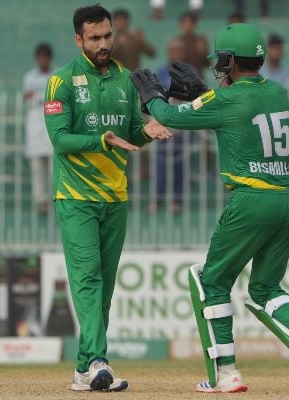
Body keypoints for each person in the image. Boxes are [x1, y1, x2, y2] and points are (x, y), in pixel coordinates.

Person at [132, 22, 289, 393]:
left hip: (251, 201)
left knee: (210, 280)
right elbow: (237, 115)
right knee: (265, 288)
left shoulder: (223, 100)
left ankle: (226, 375)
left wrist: (152, 96)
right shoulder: (278, 92)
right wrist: (205, 95)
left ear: (228, 60)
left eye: (221, 60)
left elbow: (171, 117)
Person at [44, 5, 171, 392]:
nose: (103, 44)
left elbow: (132, 131)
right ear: (78, 40)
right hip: (76, 197)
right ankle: (99, 361)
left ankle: (83, 370)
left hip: (115, 197)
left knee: (105, 286)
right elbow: (60, 139)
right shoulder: (60, 81)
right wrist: (102, 140)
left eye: (107, 36)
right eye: (94, 38)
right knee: (87, 280)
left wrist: (150, 129)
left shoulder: (125, 79)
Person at [153, 39, 190, 214]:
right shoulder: (161, 72)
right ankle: (157, 199)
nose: (176, 54)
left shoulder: (191, 72)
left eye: (179, 51)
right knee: (161, 162)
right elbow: (157, 94)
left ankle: (177, 200)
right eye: (173, 50)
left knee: (180, 164)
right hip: (164, 123)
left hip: (184, 124)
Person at [23, 43, 56, 214]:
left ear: (49, 58)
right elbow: (28, 98)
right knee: (37, 166)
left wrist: (38, 98)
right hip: (35, 124)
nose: (42, 60)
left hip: (53, 123)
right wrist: (43, 99)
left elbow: (57, 101)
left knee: (55, 166)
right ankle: (41, 201)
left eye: (45, 57)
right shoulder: (30, 77)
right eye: (40, 57)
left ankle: (57, 199)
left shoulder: (57, 76)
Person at [177, 12, 210, 79]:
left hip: (198, 79)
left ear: (194, 25)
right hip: (181, 79)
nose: (187, 27)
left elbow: (208, 64)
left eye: (189, 24)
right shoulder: (176, 43)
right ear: (180, 25)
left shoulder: (200, 41)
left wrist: (202, 53)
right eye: (184, 24)